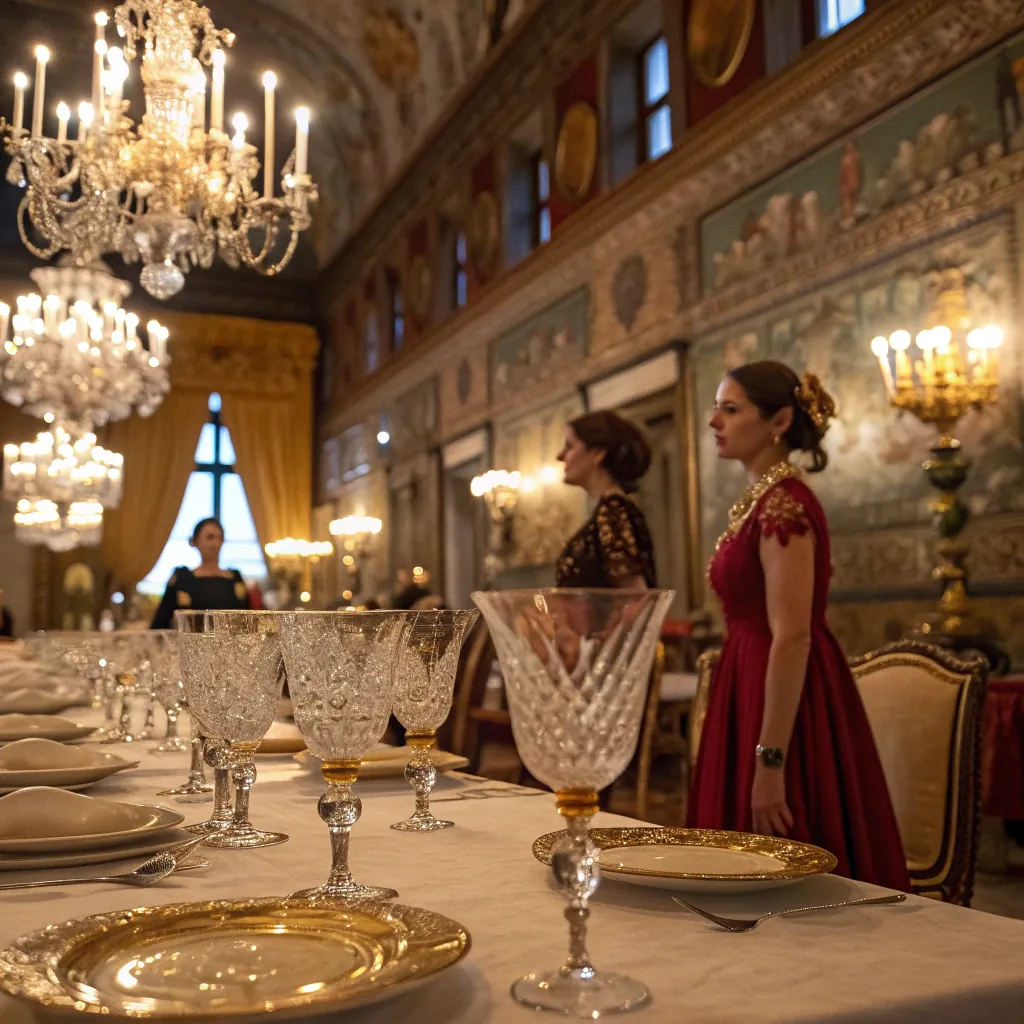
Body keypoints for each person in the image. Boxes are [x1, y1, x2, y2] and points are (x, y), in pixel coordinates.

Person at [689, 360, 909, 890]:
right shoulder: (761, 502)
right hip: (747, 680)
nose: (714, 421)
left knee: (782, 862)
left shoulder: (784, 506)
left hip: (783, 696)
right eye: (716, 407)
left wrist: (770, 762)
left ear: (780, 421)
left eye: (730, 409)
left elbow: (792, 636)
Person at [554, 410, 657, 590]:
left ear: (597, 453)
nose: (560, 456)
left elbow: (635, 596)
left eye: (569, 446)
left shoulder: (613, 510)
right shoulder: (611, 509)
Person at [151, 518, 252, 629]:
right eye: (210, 537)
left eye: (220, 538)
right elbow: (161, 622)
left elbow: (249, 622)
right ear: (195, 541)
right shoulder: (182, 579)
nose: (215, 543)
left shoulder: (235, 579)